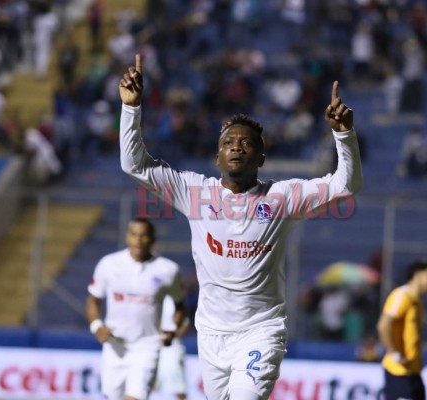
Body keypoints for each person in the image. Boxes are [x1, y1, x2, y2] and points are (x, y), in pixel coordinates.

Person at [118, 54, 362, 400]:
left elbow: (345, 186)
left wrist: (345, 135)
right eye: (228, 143)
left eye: (246, 143)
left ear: (261, 157)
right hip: (211, 334)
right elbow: (134, 165)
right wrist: (131, 109)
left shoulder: (282, 198)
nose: (236, 147)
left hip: (261, 331)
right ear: (218, 157)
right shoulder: (194, 192)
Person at [86, 217, 186, 400]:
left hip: (147, 347)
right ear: (127, 237)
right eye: (134, 235)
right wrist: (97, 326)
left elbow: (180, 307)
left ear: (153, 239)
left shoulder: (168, 270)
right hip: (114, 346)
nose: (138, 240)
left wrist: (172, 329)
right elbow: (93, 300)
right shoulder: (108, 264)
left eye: (144, 235)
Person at [377, 259, 427, 400]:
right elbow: (383, 325)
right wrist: (394, 353)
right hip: (399, 372)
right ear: (418, 275)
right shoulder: (402, 295)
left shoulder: (417, 301)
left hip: (413, 371)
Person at [155, 295, 190, 400]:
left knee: (179, 388)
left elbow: (185, 324)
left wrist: (172, 335)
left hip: (172, 350)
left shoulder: (176, 299)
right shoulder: (152, 295)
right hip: (152, 347)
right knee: (142, 387)